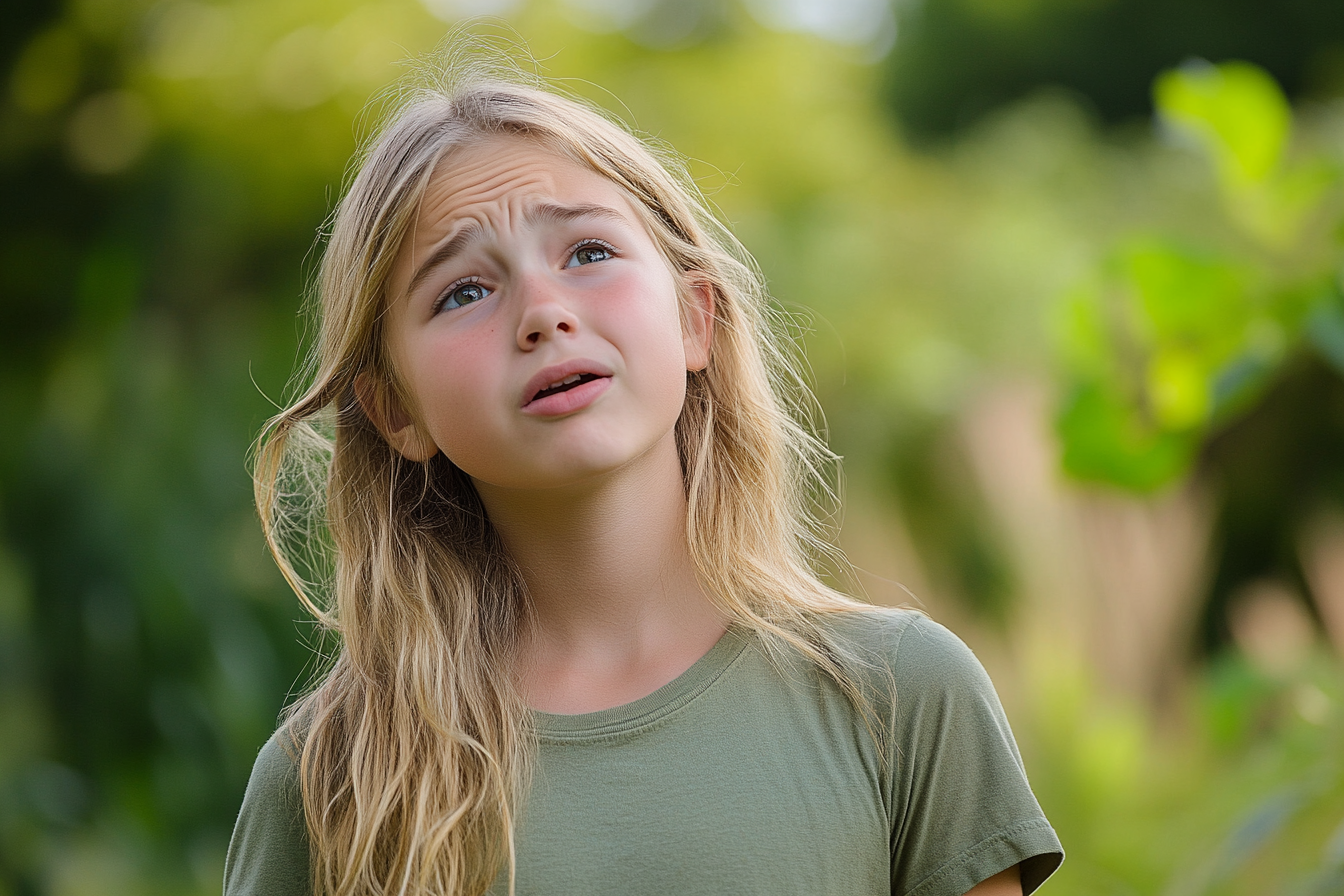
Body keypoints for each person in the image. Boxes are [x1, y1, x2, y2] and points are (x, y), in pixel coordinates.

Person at [224, 54, 1063, 896]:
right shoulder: (330, 782)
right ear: (395, 411)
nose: (544, 312)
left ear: (695, 319)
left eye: (588, 250)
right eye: (463, 292)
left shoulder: (902, 696)